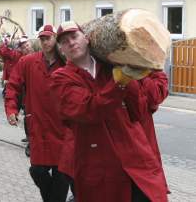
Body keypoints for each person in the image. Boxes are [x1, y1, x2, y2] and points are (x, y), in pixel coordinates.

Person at [50, 21, 169, 202]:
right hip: (99, 165)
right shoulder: (61, 78)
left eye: (74, 36)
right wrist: (119, 83)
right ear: (61, 49)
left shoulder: (111, 67)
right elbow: (88, 110)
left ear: (87, 39)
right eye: (65, 41)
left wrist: (134, 76)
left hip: (135, 160)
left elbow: (139, 110)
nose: (71, 43)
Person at [5, 25, 69, 202]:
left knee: (62, 175)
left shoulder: (68, 63)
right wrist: (12, 109)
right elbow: (13, 86)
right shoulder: (28, 62)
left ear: (56, 39)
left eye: (48, 38)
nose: (45, 41)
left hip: (63, 129)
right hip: (39, 127)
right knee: (37, 170)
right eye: (42, 38)